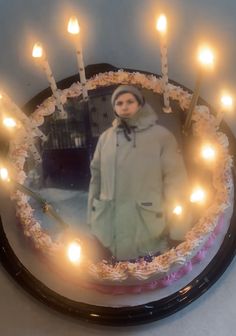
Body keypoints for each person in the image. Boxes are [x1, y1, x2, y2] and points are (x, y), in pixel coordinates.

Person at [87, 85, 191, 261]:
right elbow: (96, 178)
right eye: (119, 103)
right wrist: (93, 218)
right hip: (110, 227)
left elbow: (176, 181)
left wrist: (179, 230)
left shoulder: (161, 136)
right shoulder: (106, 138)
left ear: (140, 104)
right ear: (114, 108)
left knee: (150, 278)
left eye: (130, 101)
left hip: (148, 227)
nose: (124, 107)